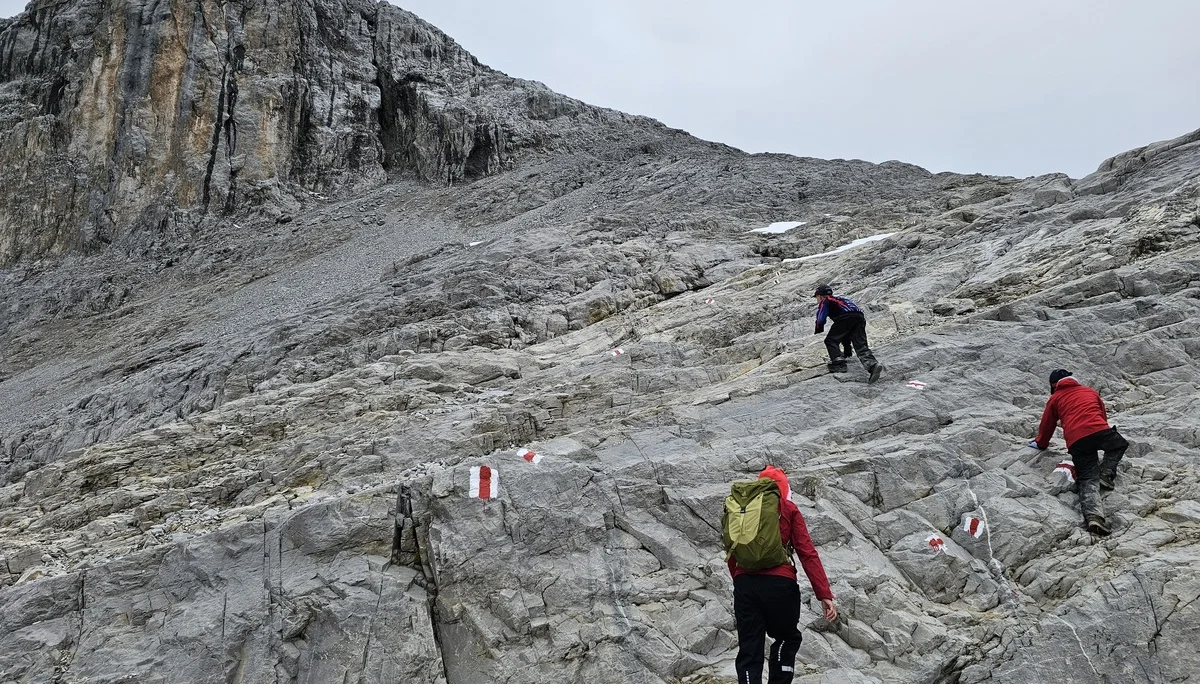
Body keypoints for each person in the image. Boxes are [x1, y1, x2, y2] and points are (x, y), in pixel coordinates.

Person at [728, 465, 837, 684]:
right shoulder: (788, 508)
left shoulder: (742, 509)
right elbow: (807, 553)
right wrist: (824, 594)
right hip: (780, 585)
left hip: (745, 584)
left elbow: (731, 551)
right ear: (784, 488)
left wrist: (740, 580)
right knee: (787, 637)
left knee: (750, 646)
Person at [1030, 369, 1129, 536]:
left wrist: (1040, 443)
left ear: (1053, 385)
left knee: (1088, 478)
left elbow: (1047, 424)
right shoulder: (1089, 391)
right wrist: (1101, 430)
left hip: (1076, 441)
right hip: (1099, 430)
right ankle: (1106, 473)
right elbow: (1102, 414)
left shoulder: (1055, 398)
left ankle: (1094, 517)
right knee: (1119, 445)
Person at [813, 284, 883, 382]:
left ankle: (839, 364)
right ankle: (873, 365)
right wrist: (847, 348)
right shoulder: (842, 299)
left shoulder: (825, 301)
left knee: (830, 340)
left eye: (816, 297)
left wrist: (818, 329)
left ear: (820, 296)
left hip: (845, 318)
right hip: (859, 317)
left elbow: (820, 318)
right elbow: (846, 331)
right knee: (861, 345)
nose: (817, 300)